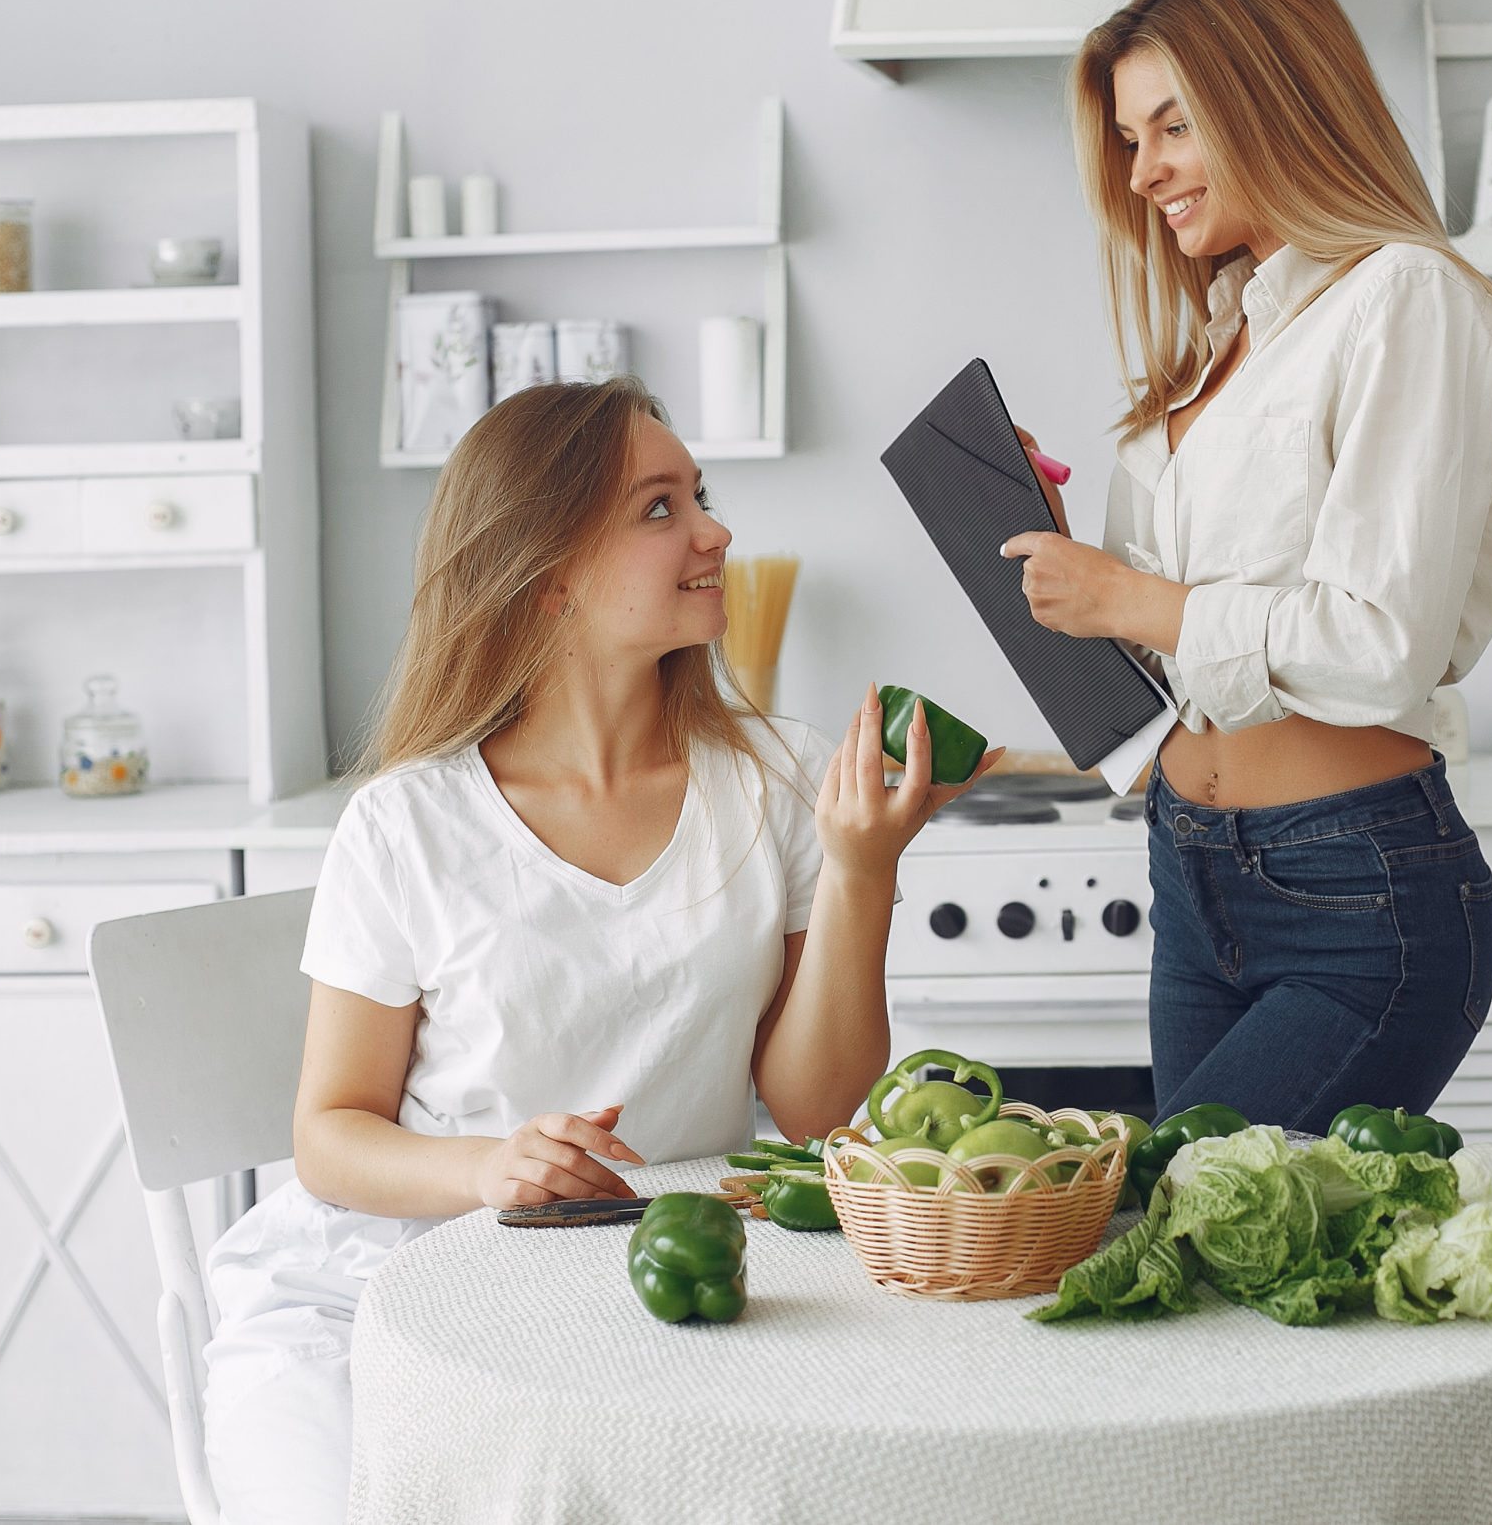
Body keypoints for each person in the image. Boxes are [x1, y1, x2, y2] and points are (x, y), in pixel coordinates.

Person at [201, 379, 994, 1523]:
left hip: (642, 1285)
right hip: (378, 1284)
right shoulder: (408, 821)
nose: (715, 531)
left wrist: (865, 871)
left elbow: (817, 1111)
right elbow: (329, 1137)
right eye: (659, 508)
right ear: (547, 567)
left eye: (701, 498)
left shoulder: (774, 779)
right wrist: (487, 1169)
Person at [1004, 0, 1492, 1133]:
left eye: (1172, 127)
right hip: (1189, 871)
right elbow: (1178, 664)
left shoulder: (1406, 299)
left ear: (1273, 101)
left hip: (1357, 892)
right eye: (1132, 140)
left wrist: (1128, 599)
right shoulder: (1216, 342)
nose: (1142, 172)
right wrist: (1060, 561)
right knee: (1212, 1295)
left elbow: (1378, 644)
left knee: (1183, 1227)